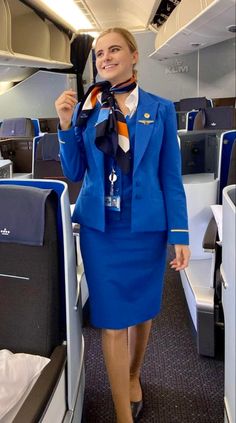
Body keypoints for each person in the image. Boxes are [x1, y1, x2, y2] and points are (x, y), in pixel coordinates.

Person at [55, 27, 191, 423]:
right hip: (101, 231)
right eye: (99, 54)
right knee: (112, 322)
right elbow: (75, 171)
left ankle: (134, 375)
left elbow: (171, 176)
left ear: (134, 56)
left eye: (114, 50)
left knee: (145, 312)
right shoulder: (86, 109)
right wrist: (65, 125)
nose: (105, 58)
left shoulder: (160, 109)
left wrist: (179, 233)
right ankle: (121, 415)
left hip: (146, 229)